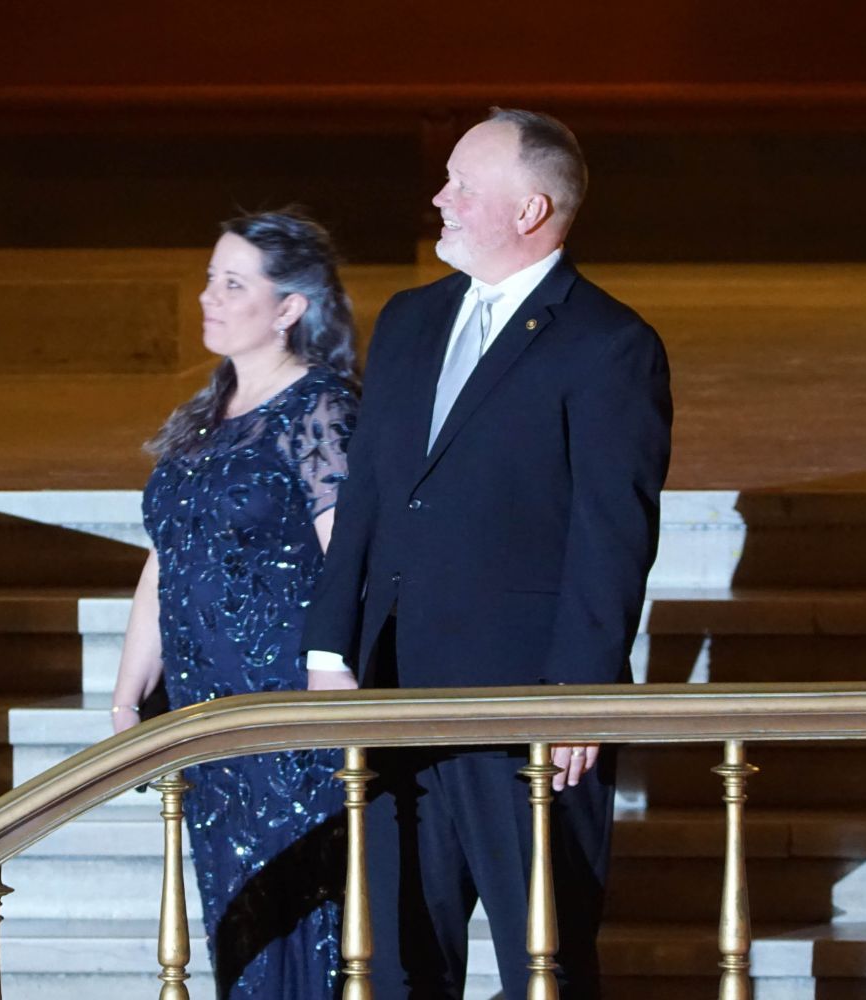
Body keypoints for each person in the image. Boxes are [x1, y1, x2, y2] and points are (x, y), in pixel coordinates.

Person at [302, 108, 673, 999]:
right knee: (397, 966)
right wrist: (328, 647)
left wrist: (580, 692)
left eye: (463, 185)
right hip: (392, 698)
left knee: (542, 965)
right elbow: (367, 495)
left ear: (530, 209)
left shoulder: (610, 345)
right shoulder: (409, 319)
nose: (440, 198)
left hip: (526, 712)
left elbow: (611, 533)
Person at [106, 209, 361, 998]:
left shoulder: (320, 408)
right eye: (210, 280)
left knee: (300, 928)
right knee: (237, 929)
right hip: (205, 721)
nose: (208, 297)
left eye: (232, 284)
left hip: (285, 715)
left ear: (289, 308)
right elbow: (166, 559)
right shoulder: (204, 415)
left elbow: (348, 558)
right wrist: (126, 696)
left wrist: (334, 678)